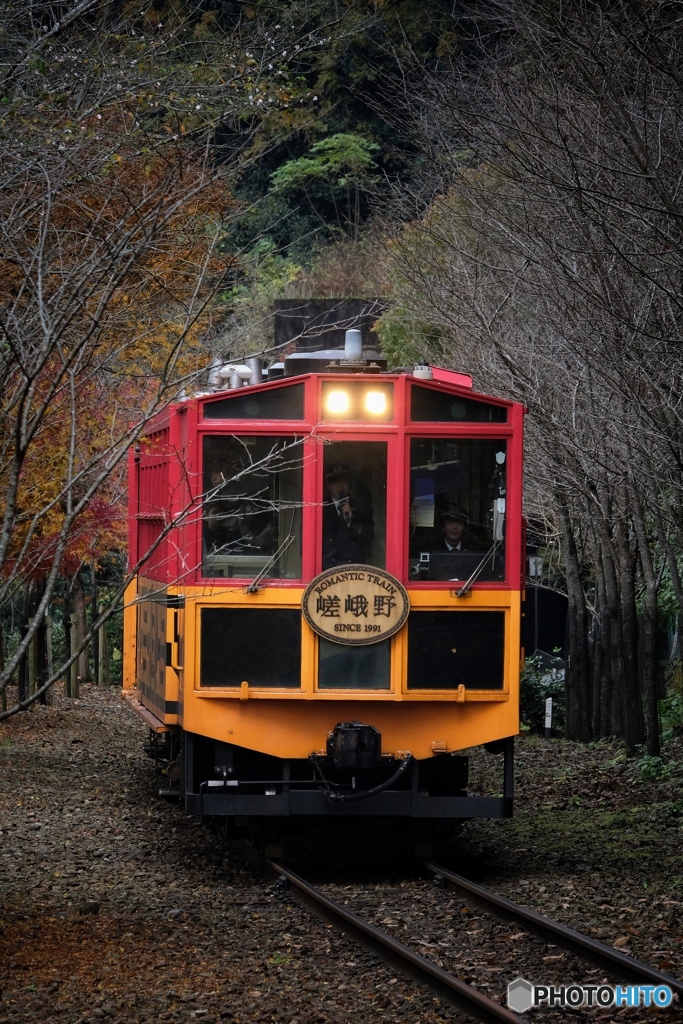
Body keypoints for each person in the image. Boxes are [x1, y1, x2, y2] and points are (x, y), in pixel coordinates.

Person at [322, 463, 374, 568]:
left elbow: (367, 538)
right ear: (327, 485)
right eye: (334, 481)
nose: (340, 486)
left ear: (349, 484)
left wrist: (351, 522)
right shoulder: (320, 508)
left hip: (353, 567)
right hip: (328, 567)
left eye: (344, 481)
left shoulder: (361, 507)